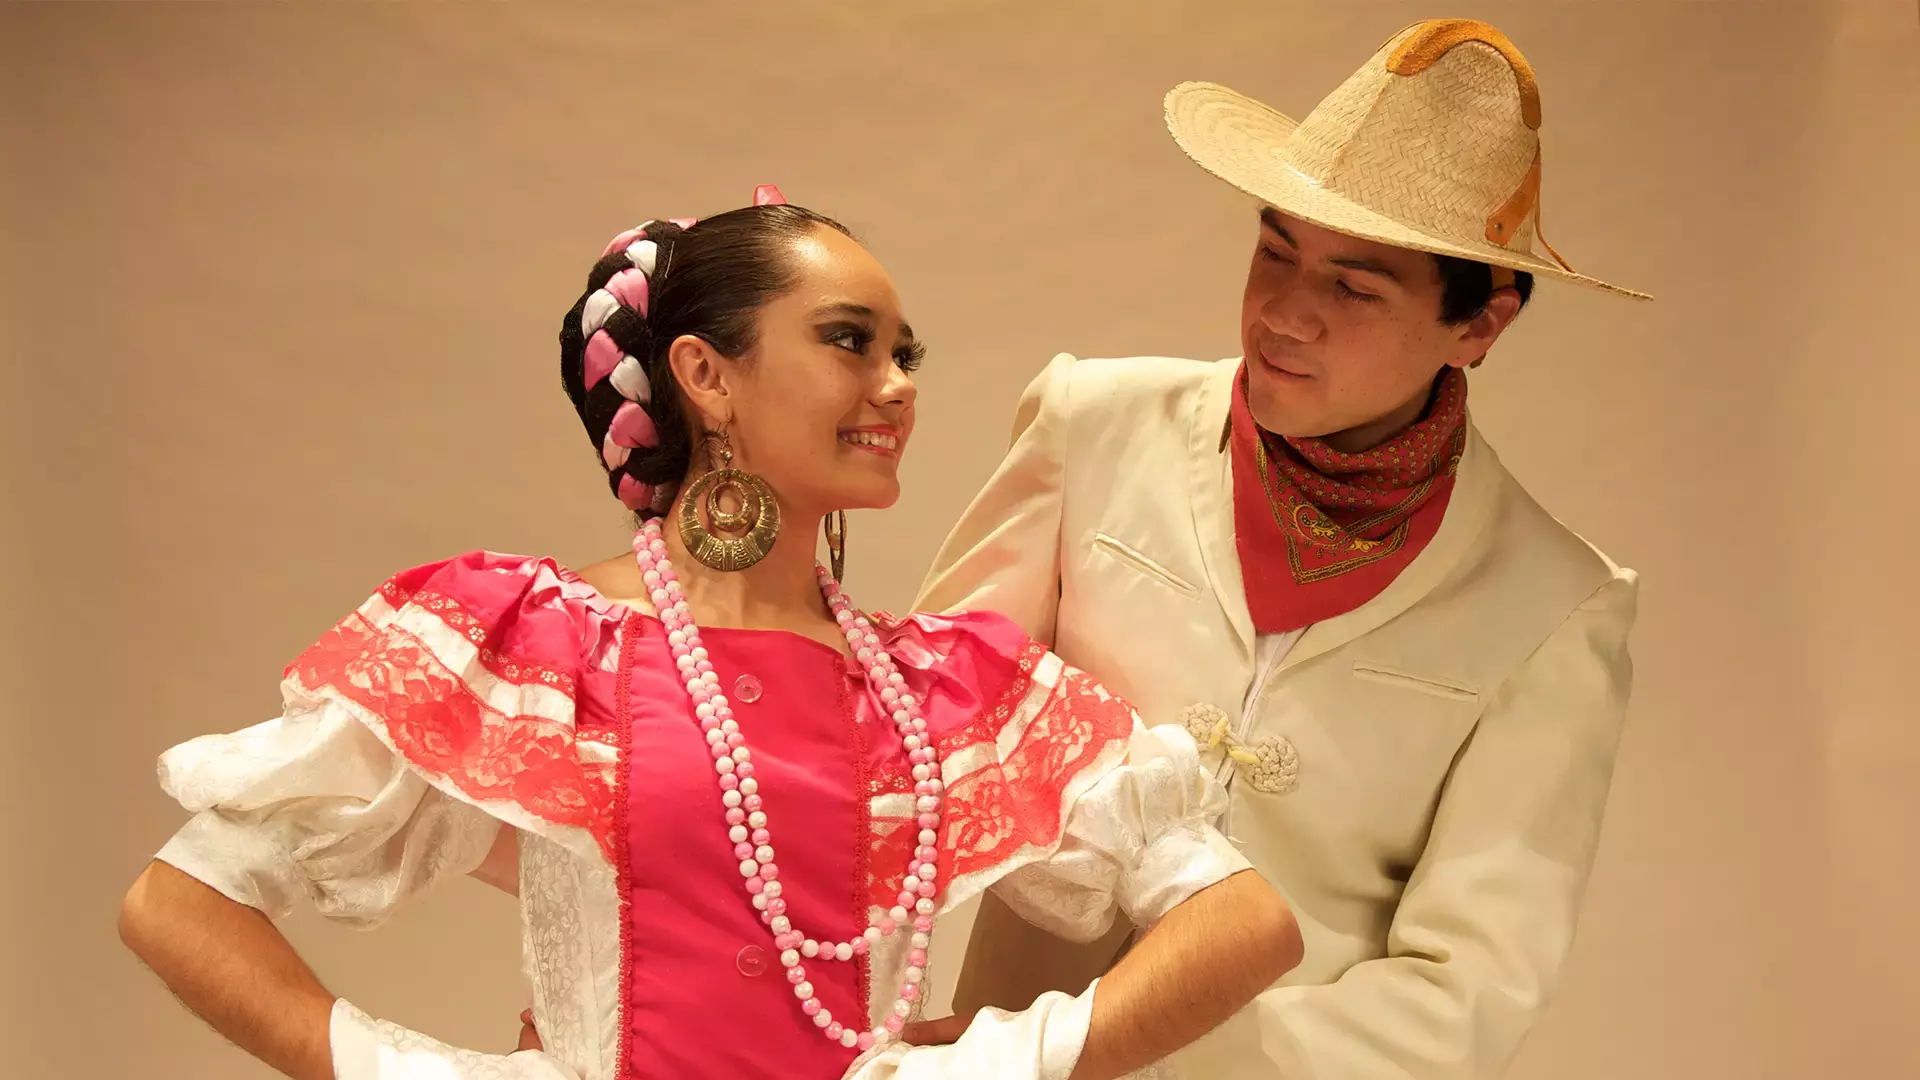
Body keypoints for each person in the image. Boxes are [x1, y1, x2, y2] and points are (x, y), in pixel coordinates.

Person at [116, 186, 1304, 1080]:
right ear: (706, 374)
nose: (896, 384)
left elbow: (1243, 926)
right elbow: (182, 904)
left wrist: (985, 1067)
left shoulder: (950, 685)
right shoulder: (529, 645)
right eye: (851, 339)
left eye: (907, 353)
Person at [920, 19, 1646, 1079]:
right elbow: (923, 726)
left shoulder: (1557, 604)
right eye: (1274, 251)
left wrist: (1111, 1051)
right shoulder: (1092, 424)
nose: (1284, 314)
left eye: (1354, 288)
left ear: (1480, 324)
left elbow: (1466, 988)